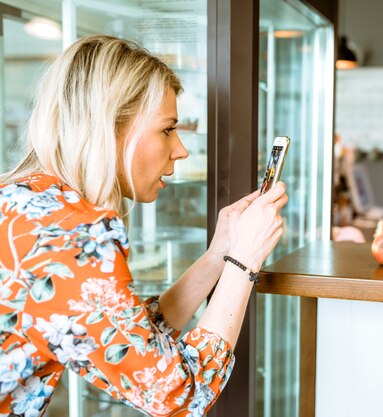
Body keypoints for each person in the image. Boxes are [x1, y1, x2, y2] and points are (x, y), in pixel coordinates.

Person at [0, 35, 287, 416]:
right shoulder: (72, 233)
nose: (181, 149)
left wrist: (219, 255)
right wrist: (244, 263)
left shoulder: (23, 201)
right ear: (110, 127)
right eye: (168, 129)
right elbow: (180, 397)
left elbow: (119, 335)